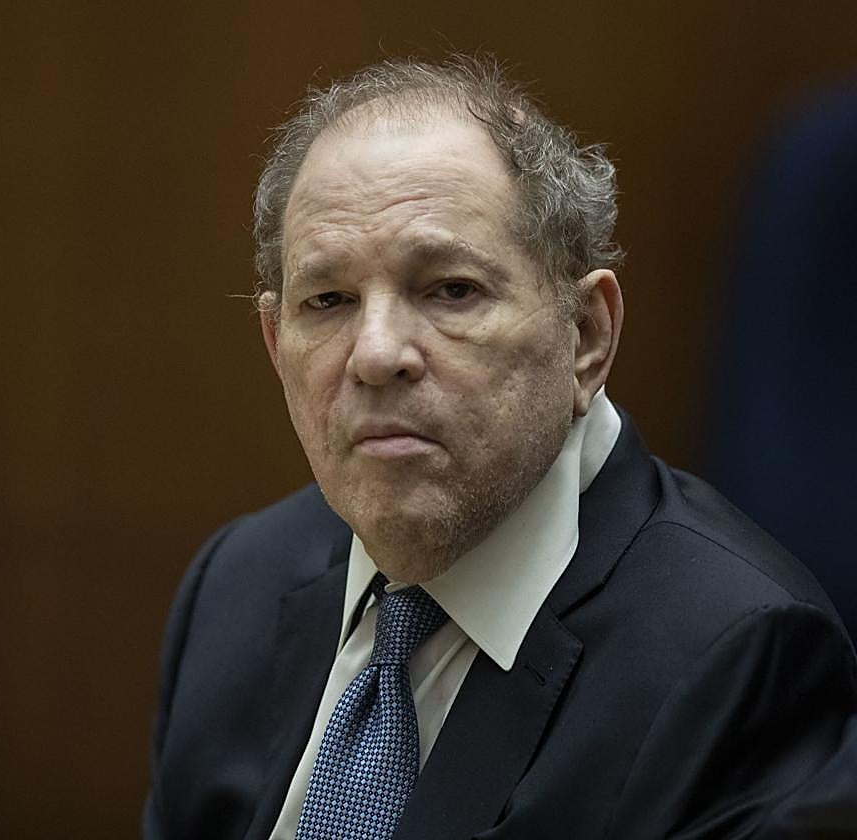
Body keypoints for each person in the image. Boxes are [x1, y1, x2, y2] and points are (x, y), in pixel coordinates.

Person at [143, 55, 857, 839]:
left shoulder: (739, 660)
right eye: (330, 300)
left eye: (451, 290)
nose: (375, 354)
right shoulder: (235, 586)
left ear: (586, 336)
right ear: (275, 345)